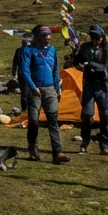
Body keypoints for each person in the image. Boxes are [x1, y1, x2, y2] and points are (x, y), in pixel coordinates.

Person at [20, 24, 70, 164]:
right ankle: (33, 149)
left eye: (49, 36)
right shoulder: (28, 50)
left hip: (50, 89)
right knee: (34, 121)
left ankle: (58, 153)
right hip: (34, 89)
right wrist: (32, 86)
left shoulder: (52, 50)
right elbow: (25, 71)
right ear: (37, 37)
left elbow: (55, 70)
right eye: (44, 36)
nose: (48, 38)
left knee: (53, 121)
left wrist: (57, 87)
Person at [72, 24, 108, 155]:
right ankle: (85, 143)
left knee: (105, 116)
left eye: (97, 37)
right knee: (87, 115)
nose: (94, 40)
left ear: (102, 37)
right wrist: (80, 67)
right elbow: (76, 62)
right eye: (92, 37)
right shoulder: (85, 47)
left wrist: (106, 71)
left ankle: (104, 146)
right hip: (89, 84)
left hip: (103, 86)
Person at [11, 31, 33, 112]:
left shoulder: (19, 50)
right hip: (28, 73)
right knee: (27, 92)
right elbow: (15, 62)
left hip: (23, 73)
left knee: (24, 92)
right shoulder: (32, 50)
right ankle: (26, 109)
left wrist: (14, 72)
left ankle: (25, 109)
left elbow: (14, 62)